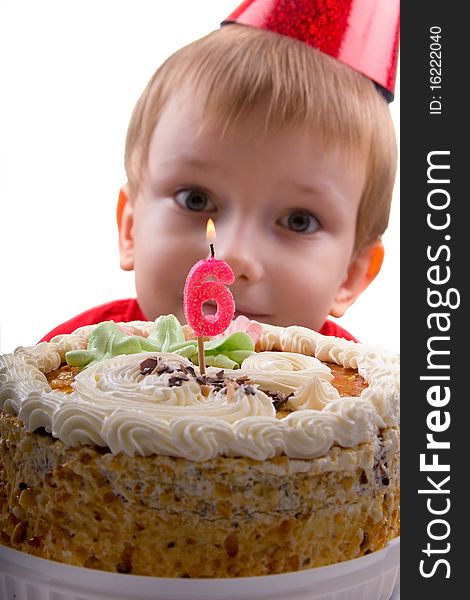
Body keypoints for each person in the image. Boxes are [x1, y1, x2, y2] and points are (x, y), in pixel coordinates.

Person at [40, 0, 399, 344]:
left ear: (351, 276)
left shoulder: (358, 395)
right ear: (131, 227)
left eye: (298, 221)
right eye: (196, 200)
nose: (231, 253)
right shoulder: (63, 368)